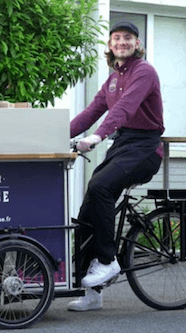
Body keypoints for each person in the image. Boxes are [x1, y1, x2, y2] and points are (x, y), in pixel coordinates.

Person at [67, 21, 164, 311]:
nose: (122, 42)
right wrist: (55, 136)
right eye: (116, 38)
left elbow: (125, 108)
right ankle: (92, 294)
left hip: (145, 148)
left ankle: (108, 261)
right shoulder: (112, 79)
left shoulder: (143, 72)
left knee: (100, 187)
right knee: (86, 215)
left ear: (137, 44)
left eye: (128, 38)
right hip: (123, 146)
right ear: (110, 45)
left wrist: (98, 136)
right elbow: (90, 113)